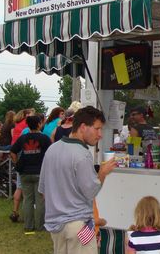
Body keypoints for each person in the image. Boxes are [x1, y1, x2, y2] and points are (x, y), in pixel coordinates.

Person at [38, 106, 117, 254]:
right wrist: (102, 173)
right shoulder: (82, 154)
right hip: (79, 225)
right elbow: (91, 191)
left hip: (55, 226)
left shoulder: (52, 149)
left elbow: (43, 191)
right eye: (97, 129)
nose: (100, 134)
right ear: (82, 127)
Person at [10, 115, 51, 232]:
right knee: (40, 200)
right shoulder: (44, 138)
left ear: (28, 125)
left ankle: (28, 226)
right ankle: (40, 226)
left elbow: (13, 151)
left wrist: (16, 163)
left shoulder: (23, 138)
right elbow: (52, 153)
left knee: (28, 199)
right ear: (39, 124)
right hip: (40, 172)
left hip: (24, 172)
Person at [9, 108, 35, 223]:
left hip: (18, 155)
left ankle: (15, 211)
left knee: (20, 186)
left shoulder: (17, 124)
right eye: (31, 114)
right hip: (27, 158)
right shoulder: (26, 127)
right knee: (27, 191)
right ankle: (28, 216)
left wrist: (16, 163)